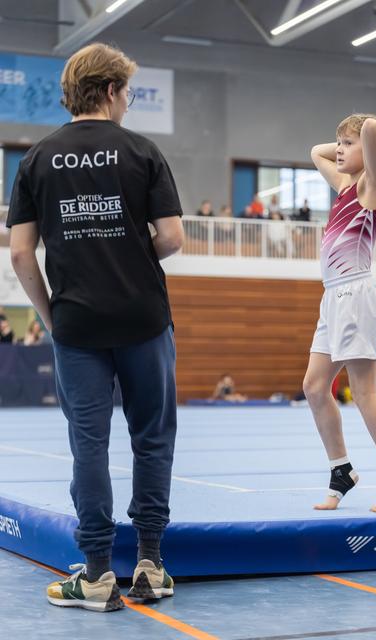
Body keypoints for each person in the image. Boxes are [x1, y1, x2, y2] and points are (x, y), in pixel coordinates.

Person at [7, 43, 184, 612]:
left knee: (89, 444)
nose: (129, 103)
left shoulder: (36, 159)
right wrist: (131, 256)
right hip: (143, 317)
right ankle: (151, 565)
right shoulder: (141, 151)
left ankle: (99, 573)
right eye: (127, 93)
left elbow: (19, 254)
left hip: (77, 324)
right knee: (151, 438)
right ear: (109, 91)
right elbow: (174, 238)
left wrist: (50, 313)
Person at [303, 113, 376, 513]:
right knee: (315, 388)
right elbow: (316, 151)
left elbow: (369, 131)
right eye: (340, 143)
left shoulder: (373, 184)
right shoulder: (346, 185)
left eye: (346, 144)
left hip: (356, 293)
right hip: (332, 297)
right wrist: (344, 144)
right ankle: (341, 470)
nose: (338, 150)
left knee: (365, 392)